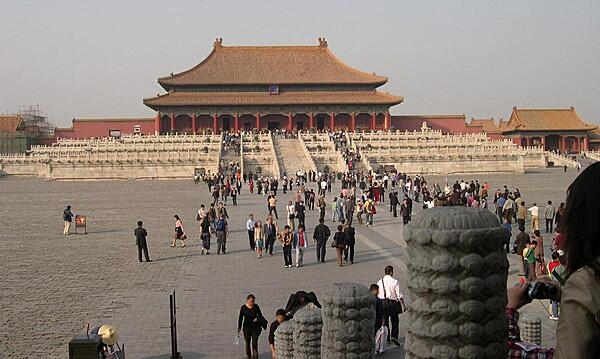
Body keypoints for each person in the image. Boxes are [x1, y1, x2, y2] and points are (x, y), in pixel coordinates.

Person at [377, 265, 405, 346]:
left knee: (385, 321)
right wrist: (403, 305)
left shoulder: (379, 282)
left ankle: (387, 338)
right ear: (391, 272)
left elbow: (378, 294)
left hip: (382, 303)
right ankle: (394, 336)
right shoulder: (395, 281)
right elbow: (399, 295)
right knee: (395, 320)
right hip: (392, 303)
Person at [237, 294, 266, 359]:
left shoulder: (256, 307)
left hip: (255, 328)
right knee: (247, 343)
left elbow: (260, 315)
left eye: (253, 301)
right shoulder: (243, 308)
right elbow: (240, 318)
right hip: (246, 328)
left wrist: (257, 318)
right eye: (250, 301)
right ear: (247, 300)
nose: (252, 303)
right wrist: (239, 327)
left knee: (254, 344)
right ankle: (249, 356)